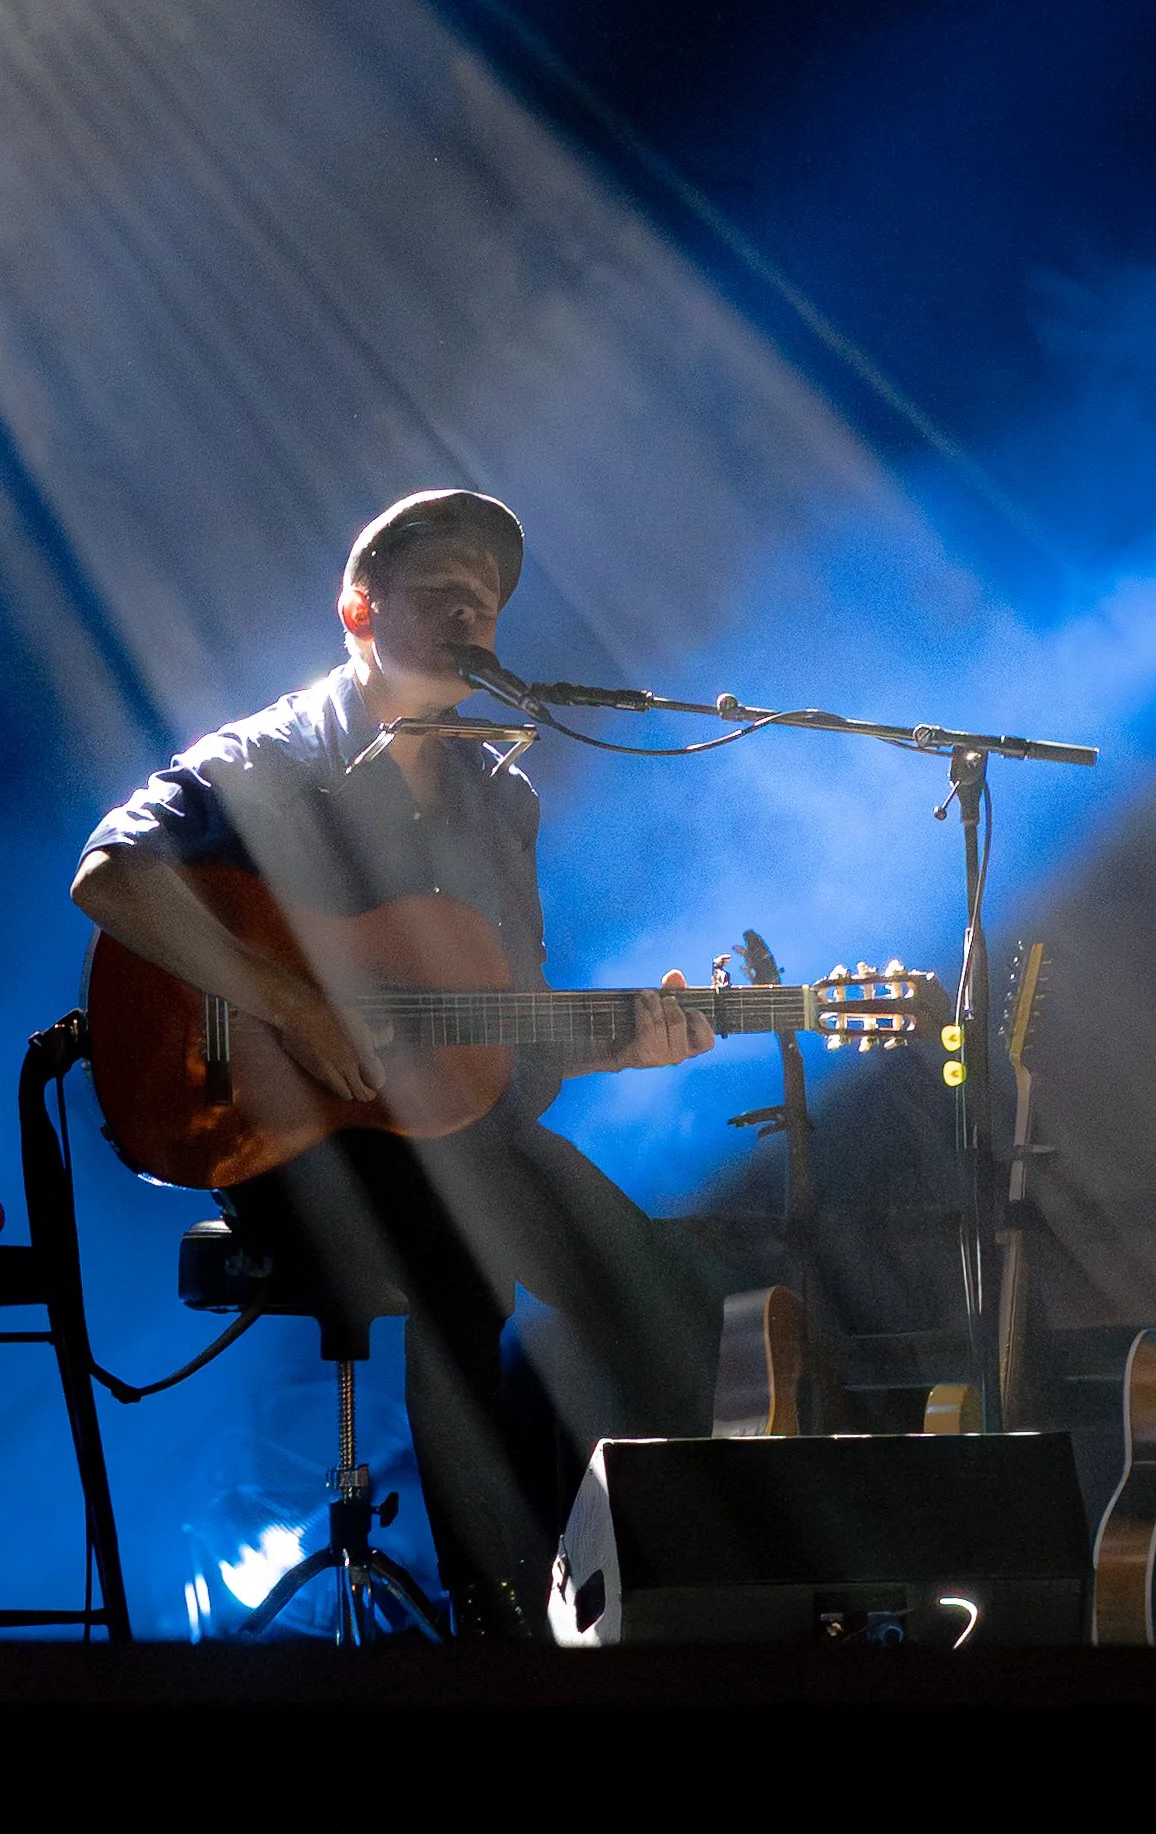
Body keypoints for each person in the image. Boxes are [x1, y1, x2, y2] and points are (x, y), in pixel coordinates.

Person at [72, 487, 724, 1634]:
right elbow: (110, 874)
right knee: (462, 1260)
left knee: (669, 1292)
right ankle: (489, 1614)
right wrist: (286, 1000)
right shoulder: (268, 757)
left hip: (448, 1133)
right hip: (279, 1137)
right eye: (441, 593)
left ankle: (566, 1580)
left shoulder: (499, 798)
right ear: (358, 609)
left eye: (486, 600)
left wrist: (619, 1040)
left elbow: (499, 1049)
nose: (473, 614)